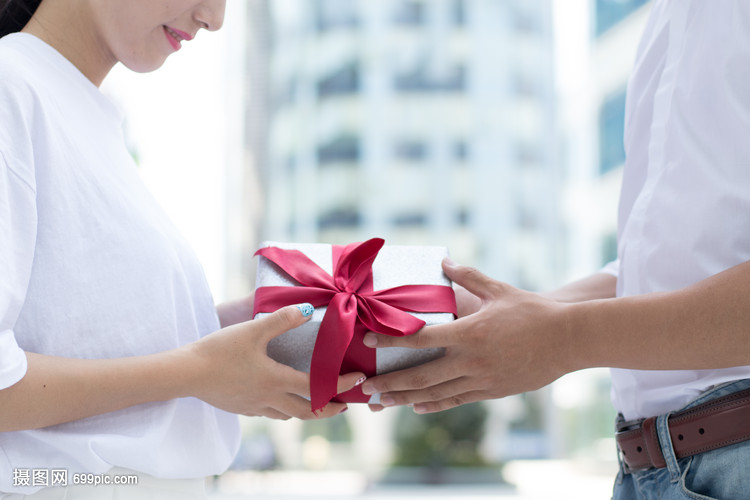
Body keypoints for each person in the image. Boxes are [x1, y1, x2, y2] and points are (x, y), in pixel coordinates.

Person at [360, 1, 750, 498]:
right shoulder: (669, 20)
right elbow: (667, 266)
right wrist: (517, 311)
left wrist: (561, 337)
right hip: (655, 468)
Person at [0, 0, 364, 498]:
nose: (214, 18)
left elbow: (75, 337)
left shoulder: (80, 112)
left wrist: (227, 328)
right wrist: (199, 371)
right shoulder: (12, 87)